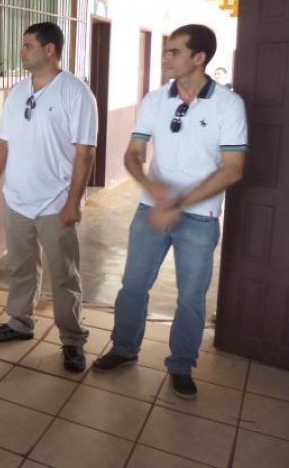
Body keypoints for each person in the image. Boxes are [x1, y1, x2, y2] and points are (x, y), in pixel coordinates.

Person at [93, 24, 248, 399]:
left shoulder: (228, 105)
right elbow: (133, 154)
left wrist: (176, 203)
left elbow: (233, 169)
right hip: (151, 211)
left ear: (199, 58)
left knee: (191, 297)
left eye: (174, 51)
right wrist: (152, 189)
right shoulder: (155, 99)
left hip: (200, 218)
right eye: (166, 50)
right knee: (133, 286)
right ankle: (124, 348)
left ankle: (181, 365)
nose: (165, 58)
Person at [0, 22, 98, 373]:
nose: (21, 51)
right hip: (18, 199)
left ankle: (72, 340)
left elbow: (86, 152)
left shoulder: (76, 93)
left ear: (50, 50)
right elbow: (3, 142)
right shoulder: (18, 92)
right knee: (21, 267)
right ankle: (20, 322)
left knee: (64, 275)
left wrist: (73, 202)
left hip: (56, 202)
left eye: (28, 45)